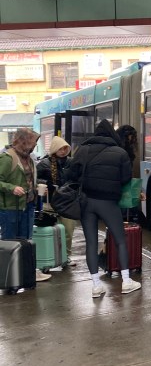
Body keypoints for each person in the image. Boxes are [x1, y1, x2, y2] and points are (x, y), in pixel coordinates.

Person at [66, 119, 139, 298]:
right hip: (107, 202)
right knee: (120, 240)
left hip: (85, 202)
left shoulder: (82, 149)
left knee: (91, 243)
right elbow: (125, 179)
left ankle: (96, 286)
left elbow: (70, 174)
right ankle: (127, 282)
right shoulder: (120, 152)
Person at [0, 127, 51, 282]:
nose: (34, 145)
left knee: (26, 241)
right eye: (32, 142)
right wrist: (11, 188)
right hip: (10, 208)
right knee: (10, 242)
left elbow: (27, 181)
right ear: (23, 141)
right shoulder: (7, 158)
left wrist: (37, 189)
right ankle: (8, 276)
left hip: (28, 206)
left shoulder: (30, 158)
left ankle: (28, 272)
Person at [36, 136, 77, 266]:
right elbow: (34, 178)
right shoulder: (44, 164)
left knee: (68, 231)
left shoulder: (72, 162)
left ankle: (66, 256)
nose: (64, 151)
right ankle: (50, 256)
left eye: (66, 148)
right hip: (50, 203)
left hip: (68, 203)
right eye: (60, 148)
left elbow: (77, 179)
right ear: (54, 149)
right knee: (49, 232)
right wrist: (43, 184)